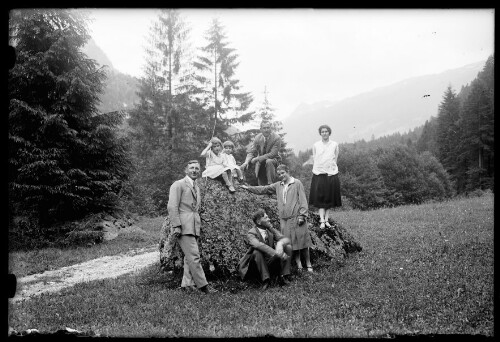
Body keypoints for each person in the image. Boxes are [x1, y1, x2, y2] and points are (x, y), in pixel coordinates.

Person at [241, 164, 314, 273]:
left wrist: (302, 215)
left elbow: (303, 200)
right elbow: (264, 189)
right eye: (279, 174)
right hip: (284, 220)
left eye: (283, 173)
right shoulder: (278, 185)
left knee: (303, 243)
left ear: (288, 171)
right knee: (291, 243)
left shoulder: (296, 183)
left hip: (297, 217)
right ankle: (299, 264)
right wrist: (249, 188)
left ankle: (308, 264)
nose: (281, 176)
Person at [167, 160, 218, 294]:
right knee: (194, 256)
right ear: (186, 170)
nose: (194, 170)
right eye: (191, 168)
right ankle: (203, 286)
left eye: (196, 168)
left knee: (188, 257)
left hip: (194, 225)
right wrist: (177, 225)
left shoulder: (196, 187)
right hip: (183, 226)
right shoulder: (178, 185)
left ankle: (187, 285)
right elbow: (172, 206)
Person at [238, 208, 292, 289]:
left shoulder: (270, 229)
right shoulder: (251, 233)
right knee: (257, 251)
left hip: (269, 262)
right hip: (255, 267)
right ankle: (265, 280)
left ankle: (284, 276)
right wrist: (277, 253)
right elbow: (258, 245)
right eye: (266, 217)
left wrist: (280, 243)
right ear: (259, 222)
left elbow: (286, 239)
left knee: (288, 247)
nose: (269, 219)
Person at [309, 124, 342, 229]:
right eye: (322, 132)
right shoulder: (316, 145)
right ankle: (321, 220)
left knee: (329, 198)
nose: (324, 133)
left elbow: (335, 158)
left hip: (331, 174)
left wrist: (331, 169)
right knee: (320, 198)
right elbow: (315, 158)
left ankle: (326, 219)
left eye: (326, 131)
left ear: (329, 132)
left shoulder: (334, 144)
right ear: (320, 133)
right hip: (319, 174)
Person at [240, 121, 281, 185]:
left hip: (274, 160)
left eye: (268, 128)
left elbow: (273, 154)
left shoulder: (276, 138)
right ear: (261, 129)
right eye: (264, 128)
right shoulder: (258, 138)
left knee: (269, 161)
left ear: (271, 128)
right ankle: (261, 186)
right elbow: (251, 151)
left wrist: (257, 159)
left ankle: (270, 185)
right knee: (260, 167)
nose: (266, 130)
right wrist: (246, 162)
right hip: (261, 162)